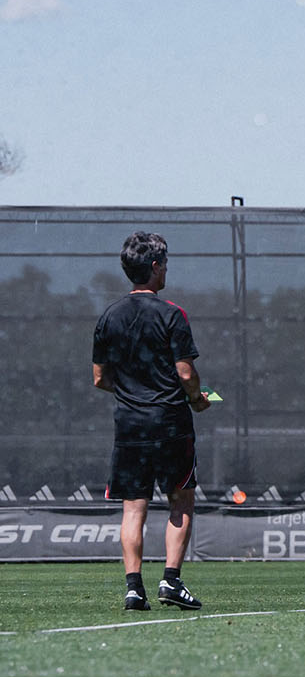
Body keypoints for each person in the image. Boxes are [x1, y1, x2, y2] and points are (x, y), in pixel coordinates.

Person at [92, 231, 211, 611]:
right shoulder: (172, 313)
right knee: (181, 501)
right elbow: (187, 374)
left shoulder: (109, 315)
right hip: (171, 421)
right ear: (155, 267)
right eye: (165, 264)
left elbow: (99, 378)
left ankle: (133, 588)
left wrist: (132, 391)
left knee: (133, 507)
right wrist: (197, 399)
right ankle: (171, 581)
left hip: (130, 424)